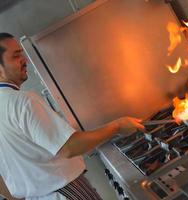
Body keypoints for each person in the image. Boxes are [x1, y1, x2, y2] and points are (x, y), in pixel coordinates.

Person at [0, 32, 145, 200]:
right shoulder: (23, 102)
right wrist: (117, 126)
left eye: (22, 54)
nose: (24, 60)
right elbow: (68, 148)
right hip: (65, 194)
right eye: (16, 56)